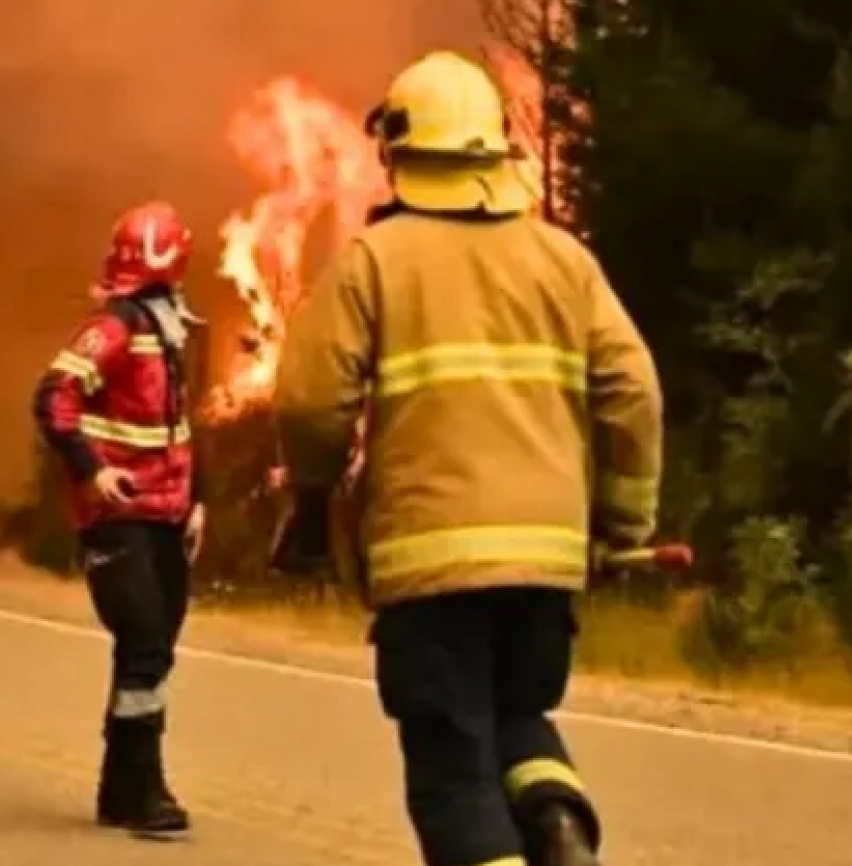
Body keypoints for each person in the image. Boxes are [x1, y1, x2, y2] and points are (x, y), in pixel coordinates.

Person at [272, 51, 663, 866]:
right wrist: (622, 521)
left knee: (451, 763)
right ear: (494, 150)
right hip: (546, 563)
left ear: (399, 154)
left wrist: (313, 497)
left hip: (431, 563)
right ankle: (556, 818)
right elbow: (634, 395)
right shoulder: (564, 261)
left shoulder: (374, 264)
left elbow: (310, 405)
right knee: (520, 717)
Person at [32, 200, 209, 837]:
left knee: (152, 654)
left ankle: (117, 788)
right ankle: (147, 789)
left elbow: (182, 427)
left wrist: (198, 500)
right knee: (143, 647)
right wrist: (92, 471)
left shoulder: (170, 329)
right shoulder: (112, 326)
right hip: (120, 517)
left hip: (166, 515)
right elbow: (54, 395)